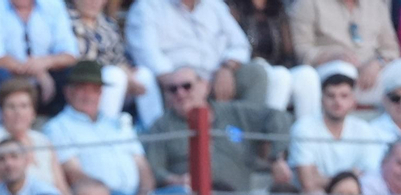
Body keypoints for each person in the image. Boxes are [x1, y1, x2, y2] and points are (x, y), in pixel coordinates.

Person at [45, 61, 167, 195]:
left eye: (94, 90)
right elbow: (73, 173)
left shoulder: (117, 122)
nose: (88, 95)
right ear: (68, 91)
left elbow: (142, 165)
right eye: (82, 88)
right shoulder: (57, 127)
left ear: (101, 93)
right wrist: (107, 193)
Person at [145, 66, 291, 195]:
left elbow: (277, 117)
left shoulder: (234, 112)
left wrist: (277, 158)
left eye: (187, 86)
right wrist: (176, 180)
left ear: (205, 87)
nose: (180, 93)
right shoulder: (161, 127)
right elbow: (154, 169)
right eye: (173, 89)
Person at [290, 0, 401, 107]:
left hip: (370, 77)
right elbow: (301, 51)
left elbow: (391, 49)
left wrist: (377, 63)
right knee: (342, 69)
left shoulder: (376, 4)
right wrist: (331, 56)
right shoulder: (307, 3)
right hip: (330, 76)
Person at [125, 0, 268, 104]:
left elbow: (241, 45)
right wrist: (188, 84)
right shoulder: (147, 7)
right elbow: (149, 56)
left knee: (256, 73)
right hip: (177, 84)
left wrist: (227, 68)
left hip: (216, 78)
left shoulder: (215, 5)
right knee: (182, 86)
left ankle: (249, 140)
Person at [290, 71, 384, 195]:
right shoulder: (304, 128)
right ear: (321, 99)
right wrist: (350, 176)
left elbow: (370, 176)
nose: (337, 102)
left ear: (353, 100)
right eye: (331, 96)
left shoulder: (364, 130)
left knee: (369, 191)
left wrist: (321, 178)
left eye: (344, 96)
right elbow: (307, 182)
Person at [0, 0, 79, 110]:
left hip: (48, 72)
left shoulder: (53, 4)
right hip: (11, 75)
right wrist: (37, 73)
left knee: (75, 74)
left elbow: (70, 54)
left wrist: (45, 62)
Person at [69, 0, 158, 125]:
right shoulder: (66, 21)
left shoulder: (108, 24)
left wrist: (129, 76)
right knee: (114, 76)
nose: (94, 2)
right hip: (87, 81)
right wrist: (124, 74)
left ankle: (154, 129)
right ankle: (105, 129)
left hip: (119, 81)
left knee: (144, 75)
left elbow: (120, 58)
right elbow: (84, 61)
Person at [0, 77, 67, 195]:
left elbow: (61, 187)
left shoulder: (43, 141)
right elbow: (7, 190)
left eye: (24, 106)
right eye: (11, 106)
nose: (18, 112)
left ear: (33, 113)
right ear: (1, 112)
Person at [229, 0, 319, 117]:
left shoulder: (278, 7)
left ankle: (306, 133)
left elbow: (288, 52)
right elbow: (234, 46)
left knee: (307, 75)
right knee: (280, 76)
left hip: (277, 66)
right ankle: (271, 131)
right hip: (250, 67)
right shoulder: (233, 6)